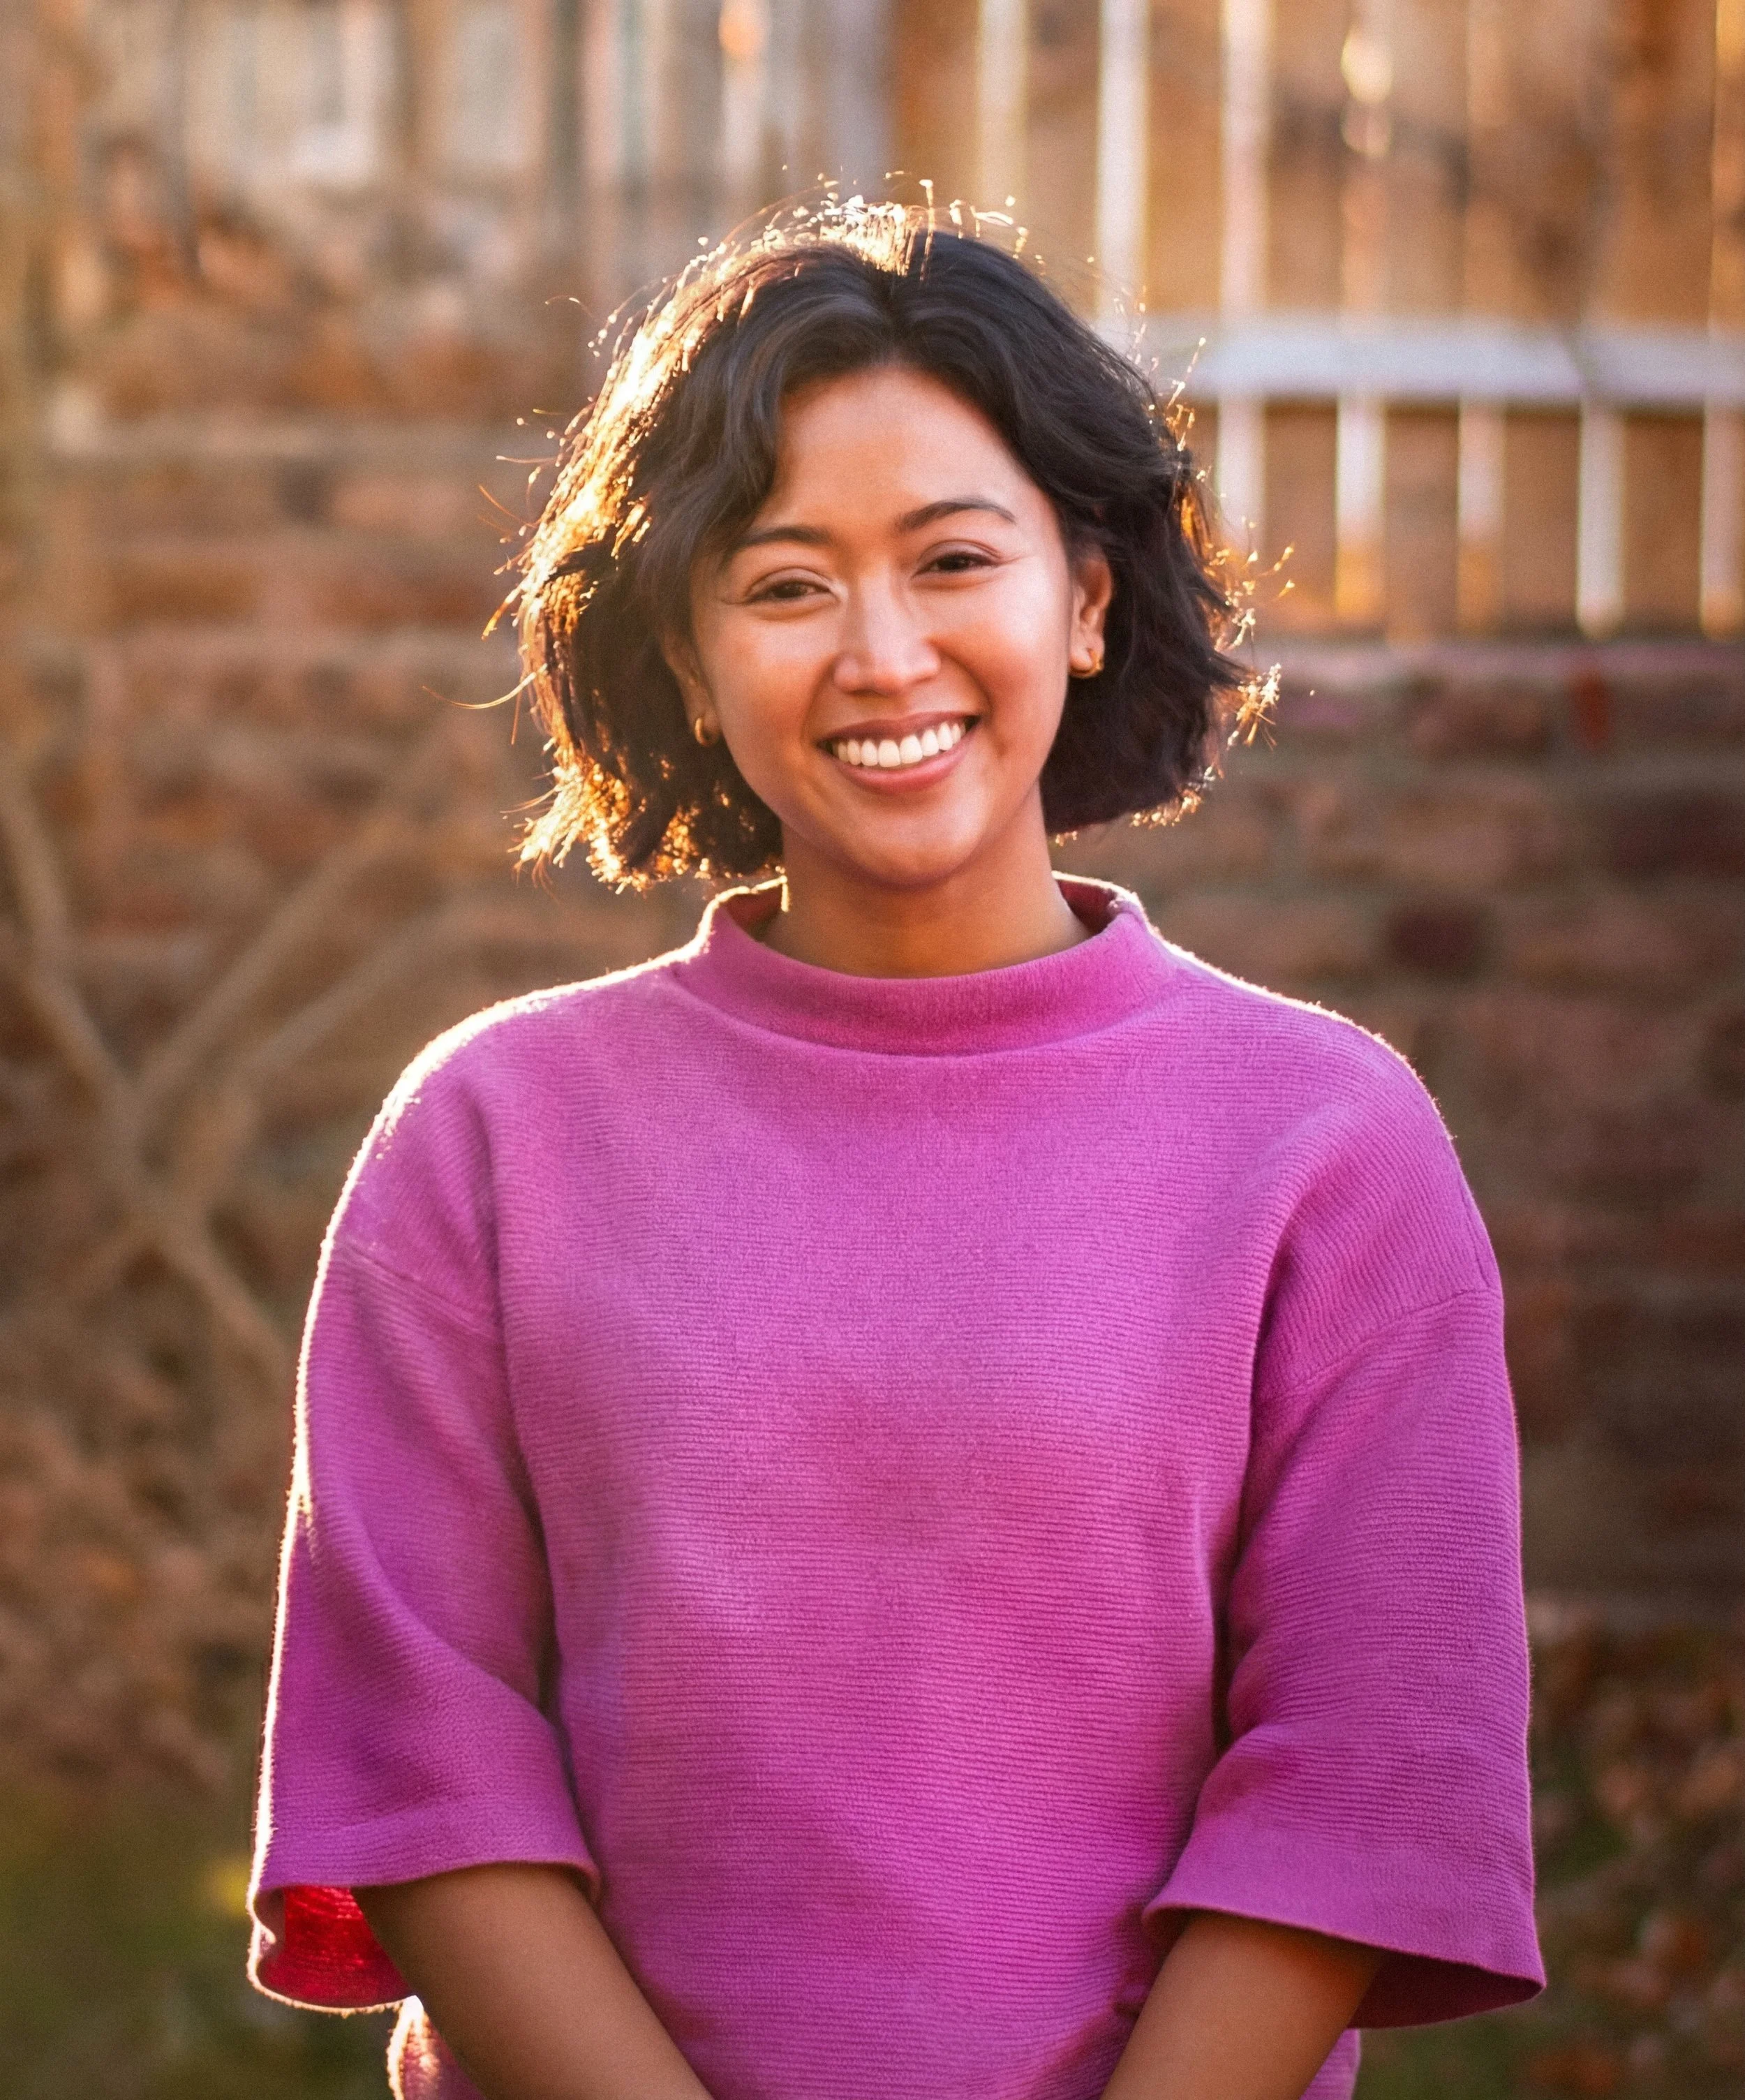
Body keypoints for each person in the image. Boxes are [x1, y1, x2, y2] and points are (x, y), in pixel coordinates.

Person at [247, 201, 1545, 2100]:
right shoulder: (488, 1139)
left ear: (1087, 598)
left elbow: (1360, 1770)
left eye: (953, 558)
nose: (881, 653)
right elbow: (427, 1760)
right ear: (681, 656)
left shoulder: (1323, 1146)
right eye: (782, 586)